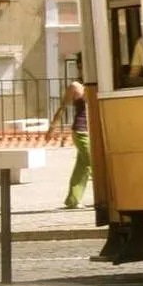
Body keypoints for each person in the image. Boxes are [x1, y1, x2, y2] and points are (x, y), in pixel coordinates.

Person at [52, 75, 89, 209]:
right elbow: (63, 107)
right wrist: (52, 127)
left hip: (91, 131)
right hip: (81, 131)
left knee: (83, 166)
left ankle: (73, 199)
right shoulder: (75, 86)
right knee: (93, 163)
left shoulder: (97, 83)